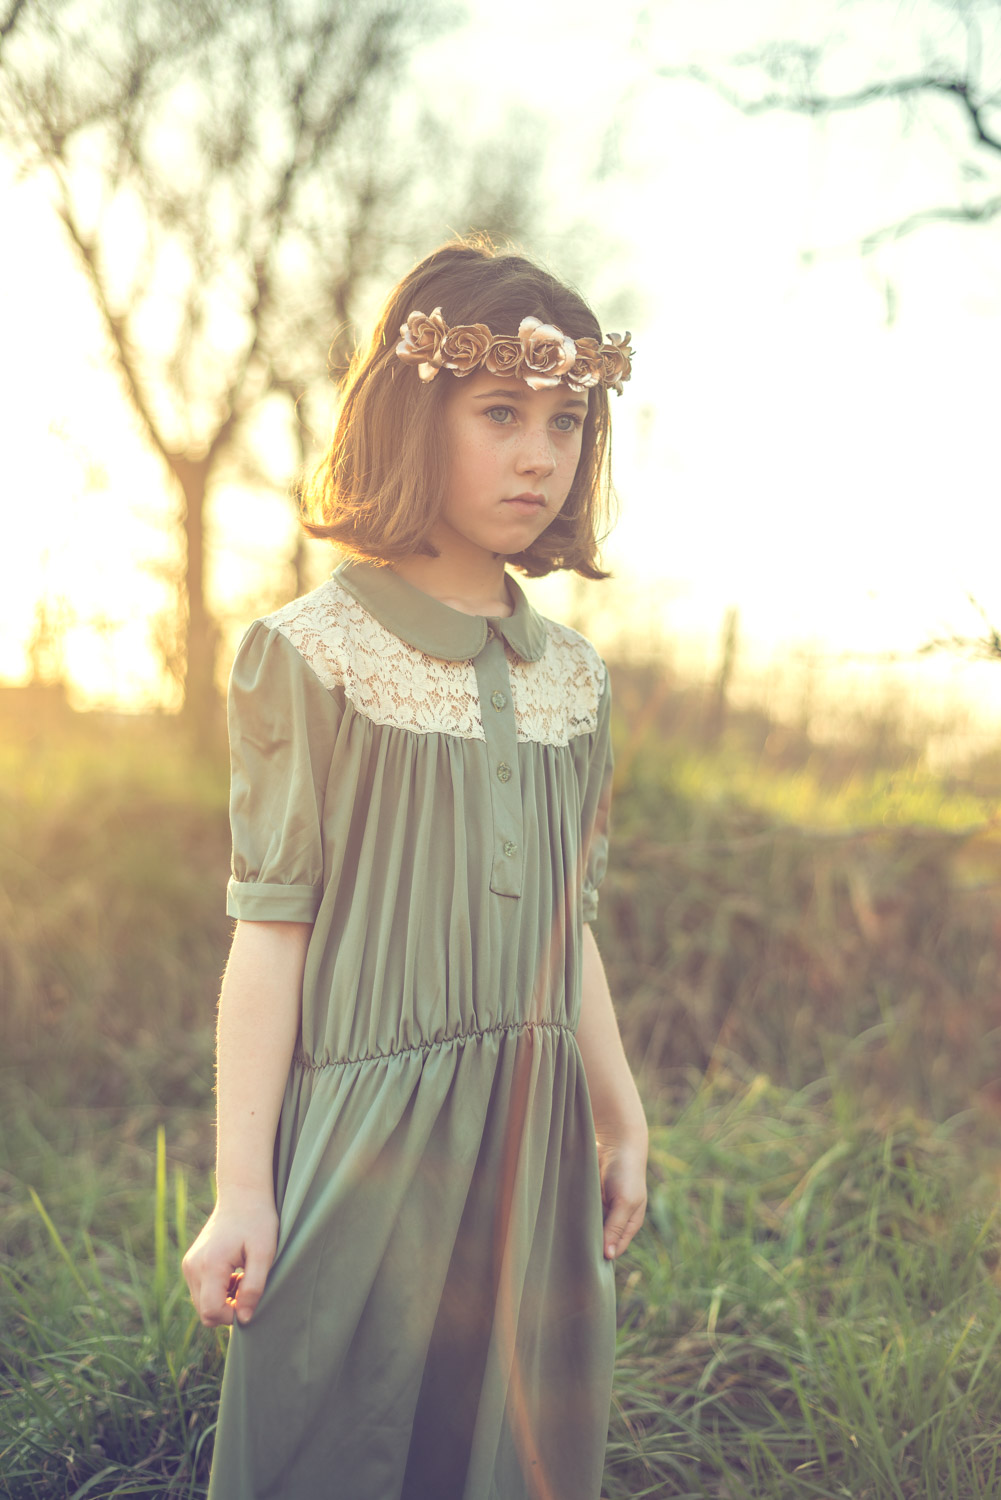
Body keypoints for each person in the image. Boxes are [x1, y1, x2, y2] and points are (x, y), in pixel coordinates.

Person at [182, 237, 649, 1500]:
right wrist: (241, 1191)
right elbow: (267, 933)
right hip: (367, 1142)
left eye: (564, 421)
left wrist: (618, 1113)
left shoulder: (577, 682)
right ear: (411, 416)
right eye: (498, 413)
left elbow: (572, 926)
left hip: (533, 1143)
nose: (537, 453)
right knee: (332, 1442)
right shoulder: (312, 652)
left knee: (502, 1451)